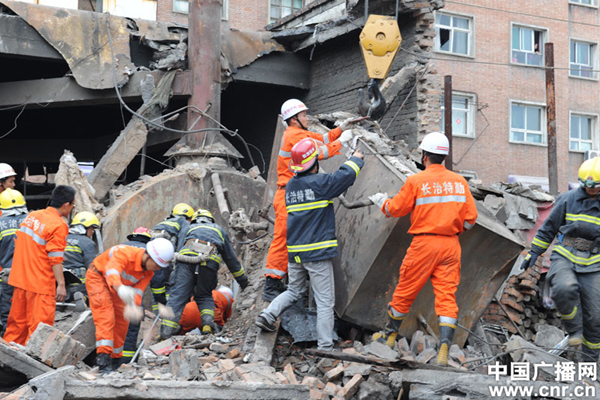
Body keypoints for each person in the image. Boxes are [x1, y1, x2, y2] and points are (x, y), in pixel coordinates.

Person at [368, 132, 478, 366]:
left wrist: (381, 201)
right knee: (447, 296)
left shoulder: (416, 181)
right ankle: (444, 348)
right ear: (444, 157)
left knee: (405, 290)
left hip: (424, 244)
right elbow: (471, 220)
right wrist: (455, 229)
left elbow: (395, 209)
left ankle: (389, 337)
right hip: (451, 245)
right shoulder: (459, 182)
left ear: (424, 156)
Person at [255, 138, 365, 350]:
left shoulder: (291, 186)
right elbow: (345, 176)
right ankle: (325, 346)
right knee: (325, 302)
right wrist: (356, 159)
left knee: (293, 291)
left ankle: (267, 314)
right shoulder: (320, 184)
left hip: (295, 253)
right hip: (316, 253)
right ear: (313, 163)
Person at [262, 99, 359, 301]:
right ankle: (271, 284)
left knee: (287, 236)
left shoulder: (297, 133)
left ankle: (282, 280)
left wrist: (341, 129)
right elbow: (320, 151)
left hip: (291, 191)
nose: (307, 117)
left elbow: (320, 139)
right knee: (282, 238)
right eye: (304, 115)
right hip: (289, 192)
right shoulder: (294, 136)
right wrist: (344, 141)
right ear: (294, 119)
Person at [521, 157, 600, 361]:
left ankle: (589, 363)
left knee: (595, 317)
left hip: (594, 263)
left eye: (595, 186)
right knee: (564, 288)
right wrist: (534, 252)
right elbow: (548, 229)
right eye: (587, 186)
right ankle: (574, 331)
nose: (591, 190)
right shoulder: (568, 199)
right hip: (566, 254)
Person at [85, 238, 174, 372]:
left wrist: (134, 306)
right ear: (148, 256)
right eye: (156, 265)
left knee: (122, 323)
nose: (157, 269)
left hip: (119, 288)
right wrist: (120, 288)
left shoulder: (148, 272)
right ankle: (103, 361)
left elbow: (138, 292)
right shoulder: (124, 253)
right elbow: (112, 271)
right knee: (106, 316)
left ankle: (115, 362)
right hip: (99, 278)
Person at [3, 185, 76, 345]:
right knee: (39, 330)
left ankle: (6, 362)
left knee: (16, 326)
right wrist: (61, 284)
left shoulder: (32, 216)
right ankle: (31, 366)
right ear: (66, 205)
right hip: (40, 284)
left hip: (21, 280)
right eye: (72, 205)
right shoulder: (59, 225)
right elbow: (55, 257)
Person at [160, 209, 249, 339]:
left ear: (195, 219)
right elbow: (230, 259)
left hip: (186, 261)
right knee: (205, 296)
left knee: (177, 297)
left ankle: (165, 334)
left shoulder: (189, 228)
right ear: (210, 220)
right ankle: (207, 326)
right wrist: (243, 281)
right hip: (209, 262)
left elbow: (180, 250)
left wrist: (177, 278)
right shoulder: (219, 230)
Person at [120, 226, 154, 363]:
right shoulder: (148, 252)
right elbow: (157, 280)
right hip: (133, 296)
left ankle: (109, 359)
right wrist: (161, 299)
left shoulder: (120, 247)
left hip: (113, 293)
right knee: (131, 329)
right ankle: (126, 362)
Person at [0, 189, 28, 335]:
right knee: (30, 309)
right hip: (31, 274)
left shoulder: (0, 224)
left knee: (8, 310)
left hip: (8, 275)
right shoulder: (32, 220)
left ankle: (8, 339)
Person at [63, 212, 100, 309]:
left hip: (59, 287)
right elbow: (91, 267)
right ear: (84, 228)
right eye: (91, 228)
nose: (92, 232)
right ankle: (84, 298)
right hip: (79, 287)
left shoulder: (62, 239)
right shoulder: (87, 243)